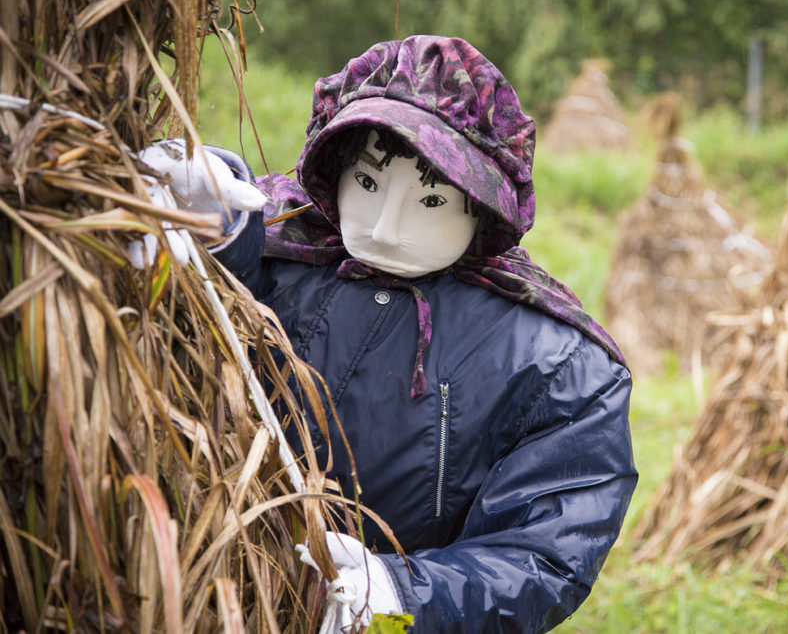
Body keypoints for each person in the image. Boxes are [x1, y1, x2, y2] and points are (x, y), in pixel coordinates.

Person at [142, 35, 636, 633]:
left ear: (485, 208)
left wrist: (402, 592)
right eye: (369, 183)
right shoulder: (266, 249)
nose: (382, 227)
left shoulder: (556, 366)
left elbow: (545, 554)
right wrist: (201, 230)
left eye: (431, 198)